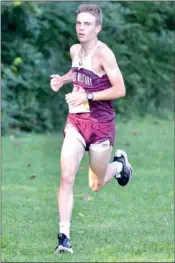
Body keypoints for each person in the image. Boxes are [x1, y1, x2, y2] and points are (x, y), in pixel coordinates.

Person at [50, 3, 133, 254]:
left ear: (98, 28)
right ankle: (64, 238)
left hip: (101, 124)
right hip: (76, 122)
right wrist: (62, 80)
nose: (81, 28)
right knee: (67, 177)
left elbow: (120, 90)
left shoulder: (104, 54)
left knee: (96, 184)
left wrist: (88, 96)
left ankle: (120, 166)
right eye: (79, 23)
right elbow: (77, 72)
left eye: (87, 24)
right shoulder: (75, 49)